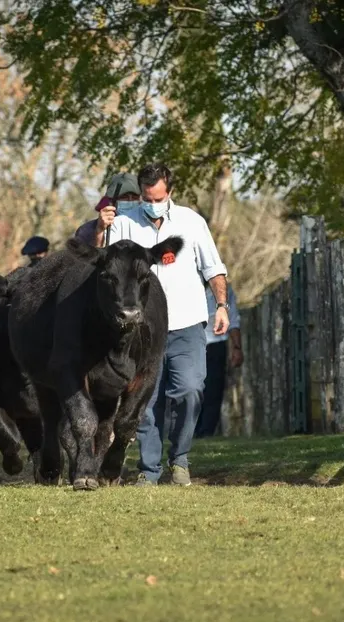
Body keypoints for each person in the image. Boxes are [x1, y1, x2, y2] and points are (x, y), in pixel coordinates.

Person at [100, 163, 229, 486]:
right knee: (145, 401)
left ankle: (180, 458)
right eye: (147, 198)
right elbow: (102, 265)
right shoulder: (122, 224)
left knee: (190, 389)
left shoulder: (192, 222)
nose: (152, 203)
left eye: (158, 198)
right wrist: (101, 228)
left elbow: (213, 268)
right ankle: (149, 468)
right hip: (140, 331)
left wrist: (222, 306)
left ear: (170, 192)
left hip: (187, 322)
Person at [195, 282, 242, 438]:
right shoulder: (186, 284)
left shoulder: (224, 290)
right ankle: (191, 431)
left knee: (213, 391)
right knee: (191, 390)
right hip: (191, 345)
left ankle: (206, 433)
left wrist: (237, 347)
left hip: (216, 345)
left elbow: (233, 319)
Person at [74, 172, 141, 247]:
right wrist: (100, 231)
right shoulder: (86, 231)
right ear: (110, 200)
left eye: (135, 197)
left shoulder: (146, 227)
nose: (130, 201)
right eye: (124, 197)